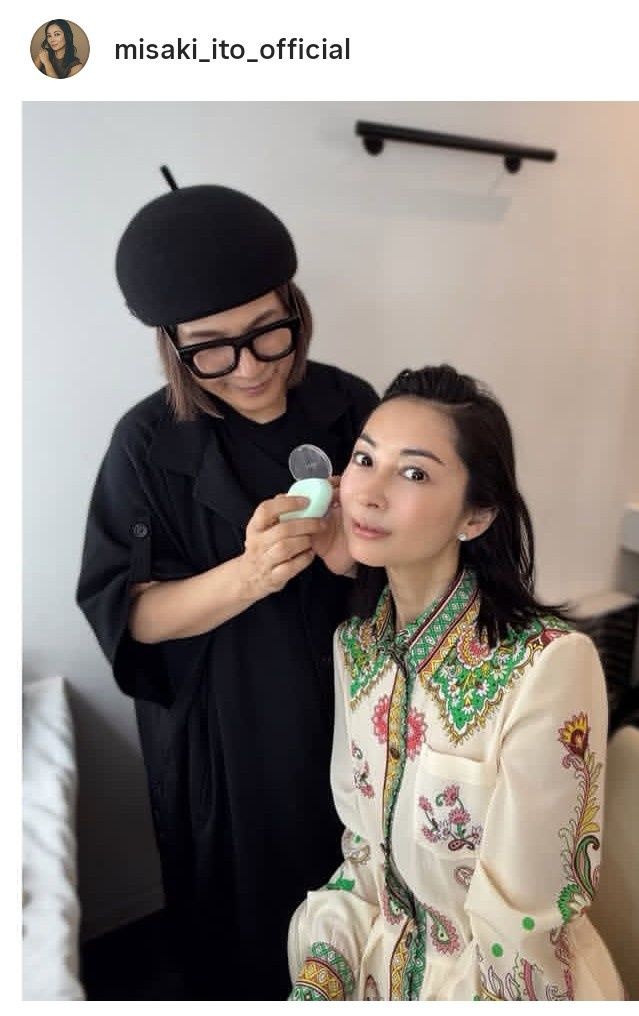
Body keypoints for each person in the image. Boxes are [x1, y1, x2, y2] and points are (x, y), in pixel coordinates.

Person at [76, 175, 378, 999]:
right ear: (173, 347)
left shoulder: (350, 404)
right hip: (225, 737)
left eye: (267, 333)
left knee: (361, 907)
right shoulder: (145, 444)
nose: (248, 369)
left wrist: (348, 558)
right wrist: (249, 576)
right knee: (244, 934)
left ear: (295, 310)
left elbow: (406, 558)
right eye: (211, 349)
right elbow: (131, 615)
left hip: (355, 710)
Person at [288, 365, 625, 1001]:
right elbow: (363, 864)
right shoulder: (356, 650)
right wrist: (319, 982)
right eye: (364, 460)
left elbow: (524, 931)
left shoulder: (547, 666)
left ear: (476, 514)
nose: (370, 493)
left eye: (414, 473)